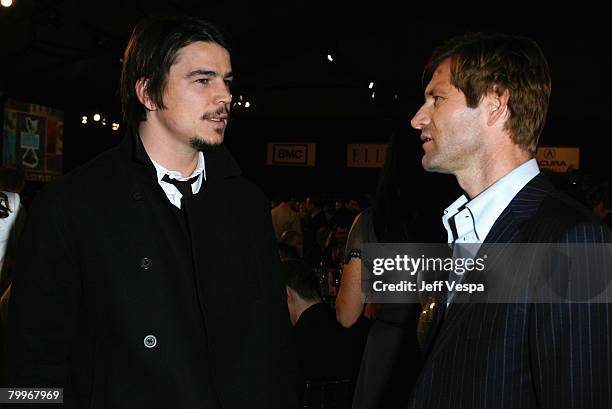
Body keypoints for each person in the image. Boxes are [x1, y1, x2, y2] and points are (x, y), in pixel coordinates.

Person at [7, 15, 296, 409]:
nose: (225, 96)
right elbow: (28, 369)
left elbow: (273, 349)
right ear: (147, 92)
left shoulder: (246, 203)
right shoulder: (71, 205)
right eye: (202, 80)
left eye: (226, 81)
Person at [408, 32, 612, 408]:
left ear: (494, 104)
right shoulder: (461, 230)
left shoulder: (573, 240)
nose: (417, 118)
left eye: (436, 99)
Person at [335, 134, 423, 409]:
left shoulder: (370, 222)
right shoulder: (456, 218)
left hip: (386, 354)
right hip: (436, 349)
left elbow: (347, 315)